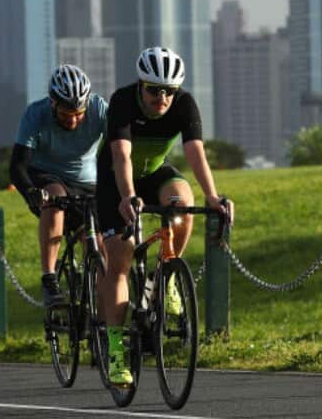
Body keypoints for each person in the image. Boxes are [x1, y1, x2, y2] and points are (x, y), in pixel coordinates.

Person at [95, 46, 233, 386]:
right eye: (154, 90)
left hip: (155, 172)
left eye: (169, 91)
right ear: (141, 85)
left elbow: (194, 152)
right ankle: (115, 349)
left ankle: (166, 275)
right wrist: (128, 196)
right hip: (116, 178)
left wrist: (212, 197)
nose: (162, 97)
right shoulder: (123, 101)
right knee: (121, 258)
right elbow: (121, 155)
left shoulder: (184, 104)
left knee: (182, 204)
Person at [9, 64, 108, 307]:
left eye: (78, 113)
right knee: (55, 199)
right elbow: (17, 166)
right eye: (66, 114)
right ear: (53, 103)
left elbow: (120, 149)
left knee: (98, 247)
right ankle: (49, 279)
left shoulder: (99, 109)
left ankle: (102, 320)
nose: (73, 120)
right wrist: (31, 192)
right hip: (46, 176)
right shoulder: (36, 114)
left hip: (87, 183)